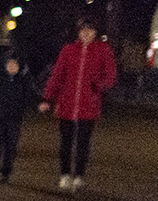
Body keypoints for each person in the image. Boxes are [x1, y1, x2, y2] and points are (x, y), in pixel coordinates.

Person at [40, 17, 116, 191]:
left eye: (89, 30)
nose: (86, 33)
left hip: (89, 104)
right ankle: (65, 174)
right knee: (66, 142)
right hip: (67, 103)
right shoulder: (68, 50)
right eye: (83, 30)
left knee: (83, 142)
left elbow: (111, 74)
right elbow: (57, 74)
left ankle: (79, 175)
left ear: (95, 32)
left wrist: (101, 86)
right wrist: (47, 97)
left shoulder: (103, 50)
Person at [0, 52, 32, 184]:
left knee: (11, 147)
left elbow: (27, 98)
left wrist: (23, 112)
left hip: (14, 120)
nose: (12, 67)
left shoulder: (22, 81)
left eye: (14, 65)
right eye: (9, 64)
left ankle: (6, 173)